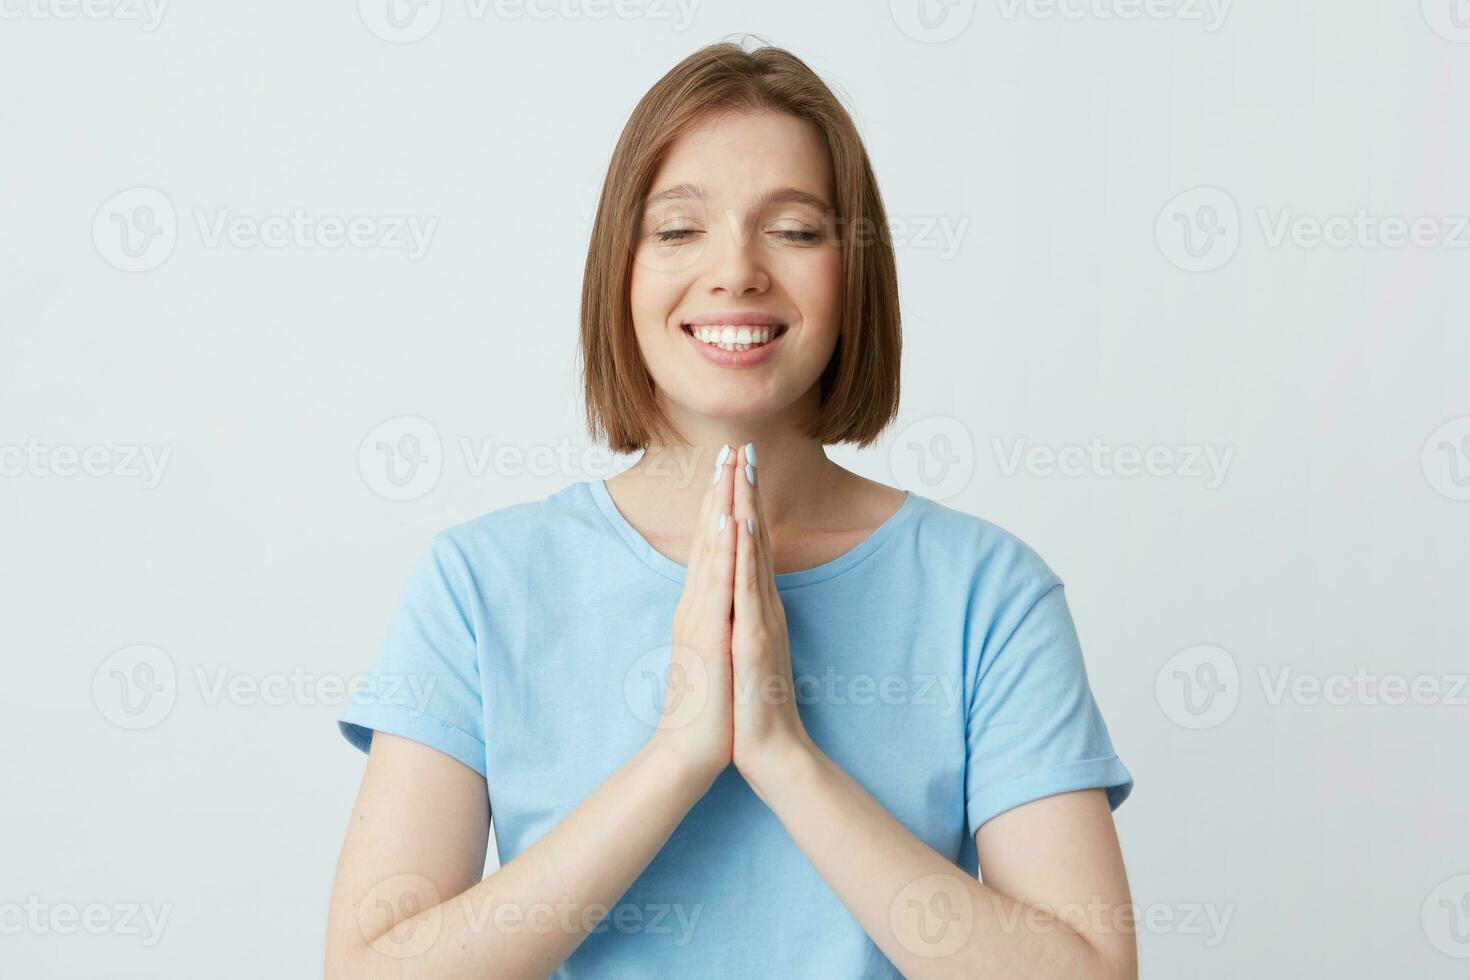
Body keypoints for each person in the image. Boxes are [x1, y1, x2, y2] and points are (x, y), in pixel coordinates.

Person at [325, 38, 1136, 980]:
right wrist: (677, 753)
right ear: (619, 272)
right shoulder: (478, 583)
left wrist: (785, 755)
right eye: (678, 231)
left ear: (854, 273)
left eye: (794, 231)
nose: (737, 272)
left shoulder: (989, 594)